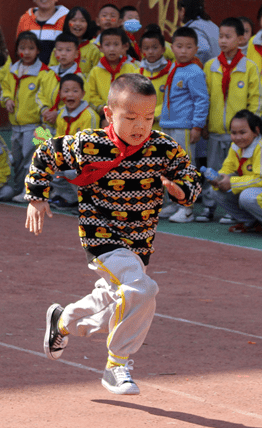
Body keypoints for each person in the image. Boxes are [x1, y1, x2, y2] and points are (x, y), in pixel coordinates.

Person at [26, 74, 201, 395]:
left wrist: (182, 191)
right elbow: (47, 151)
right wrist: (37, 196)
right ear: (109, 114)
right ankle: (116, 365)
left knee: (113, 302)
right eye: (131, 118)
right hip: (101, 236)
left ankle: (63, 321)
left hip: (140, 242)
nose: (141, 126)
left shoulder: (163, 147)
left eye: (148, 118)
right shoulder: (90, 144)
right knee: (142, 289)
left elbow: (191, 178)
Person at [204, 18, 261, 222]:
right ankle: (208, 206)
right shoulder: (211, 66)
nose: (223, 41)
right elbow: (205, 97)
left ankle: (232, 209)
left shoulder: (249, 67)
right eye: (221, 36)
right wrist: (204, 123)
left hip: (239, 134)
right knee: (212, 170)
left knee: (235, 171)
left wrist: (250, 127)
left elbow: (256, 99)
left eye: (228, 37)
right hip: (215, 129)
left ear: (241, 39)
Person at [210, 110, 262, 238]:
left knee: (247, 196)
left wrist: (231, 182)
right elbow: (228, 167)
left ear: (255, 131)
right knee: (216, 190)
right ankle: (251, 223)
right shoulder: (235, 146)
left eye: (242, 132)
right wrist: (219, 178)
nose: (238, 137)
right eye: (234, 133)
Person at [158, 26, 209, 223]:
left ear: (196, 49)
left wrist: (197, 126)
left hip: (184, 127)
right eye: (179, 46)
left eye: (189, 47)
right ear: (172, 48)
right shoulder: (174, 67)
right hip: (168, 124)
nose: (183, 51)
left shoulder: (195, 72)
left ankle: (186, 208)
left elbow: (201, 100)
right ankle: (174, 202)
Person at [0, 30, 46, 200]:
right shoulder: (13, 70)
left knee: (32, 158)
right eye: (22, 48)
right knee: (17, 159)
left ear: (38, 50)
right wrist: (7, 99)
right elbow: (5, 88)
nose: (26, 52)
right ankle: (19, 188)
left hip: (35, 125)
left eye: (31, 48)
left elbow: (45, 96)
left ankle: (30, 191)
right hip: (16, 125)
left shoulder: (43, 72)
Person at [47, 73, 99, 207]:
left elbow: (89, 147)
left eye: (75, 91)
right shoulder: (61, 114)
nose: (70, 95)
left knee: (72, 171)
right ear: (60, 94)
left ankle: (88, 202)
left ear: (83, 94)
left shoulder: (89, 116)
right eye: (66, 91)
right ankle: (68, 198)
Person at [85, 28, 139, 115]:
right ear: (101, 48)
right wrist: (102, 108)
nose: (112, 49)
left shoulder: (131, 68)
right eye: (107, 45)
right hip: (104, 114)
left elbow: (137, 91)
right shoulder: (95, 71)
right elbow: (91, 94)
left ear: (123, 47)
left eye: (116, 44)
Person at [16, 0, 68, 65]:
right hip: (29, 71)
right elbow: (20, 48)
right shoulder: (25, 19)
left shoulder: (67, 19)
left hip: (57, 71)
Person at [138, 26, 173, 122]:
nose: (150, 52)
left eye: (155, 48)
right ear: (141, 50)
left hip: (164, 123)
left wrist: (153, 115)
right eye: (146, 48)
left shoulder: (171, 72)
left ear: (163, 49)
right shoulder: (137, 73)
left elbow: (172, 100)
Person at [51, 7, 100, 76]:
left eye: (82, 21)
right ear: (67, 23)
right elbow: (51, 72)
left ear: (88, 24)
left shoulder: (93, 50)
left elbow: (96, 74)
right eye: (73, 20)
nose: (77, 24)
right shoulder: (59, 48)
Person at [176, 0, 219, 66]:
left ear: (183, 10)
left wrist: (195, 68)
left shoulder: (193, 28)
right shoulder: (212, 25)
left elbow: (203, 50)